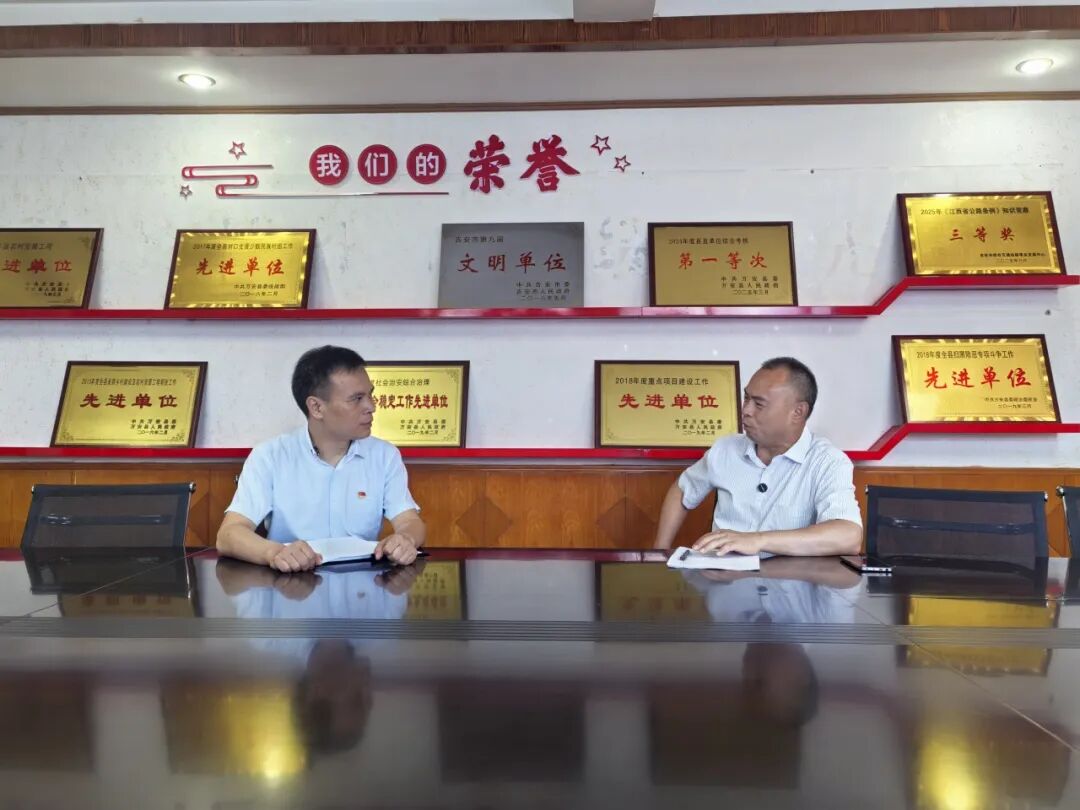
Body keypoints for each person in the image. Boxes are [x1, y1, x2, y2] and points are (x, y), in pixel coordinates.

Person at [217, 345, 426, 571]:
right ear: (316, 407)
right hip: (290, 583)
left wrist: (406, 539)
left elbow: (409, 521)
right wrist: (274, 553)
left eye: (370, 395)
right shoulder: (270, 457)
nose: (371, 407)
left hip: (362, 584)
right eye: (357, 399)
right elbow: (229, 534)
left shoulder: (384, 455)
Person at [653, 357, 861, 557]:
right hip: (723, 575)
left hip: (789, 580)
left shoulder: (827, 461)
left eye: (759, 404)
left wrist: (758, 540)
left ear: (797, 412)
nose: (746, 410)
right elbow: (682, 490)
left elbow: (848, 536)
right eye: (746, 398)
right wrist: (659, 552)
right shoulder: (725, 449)